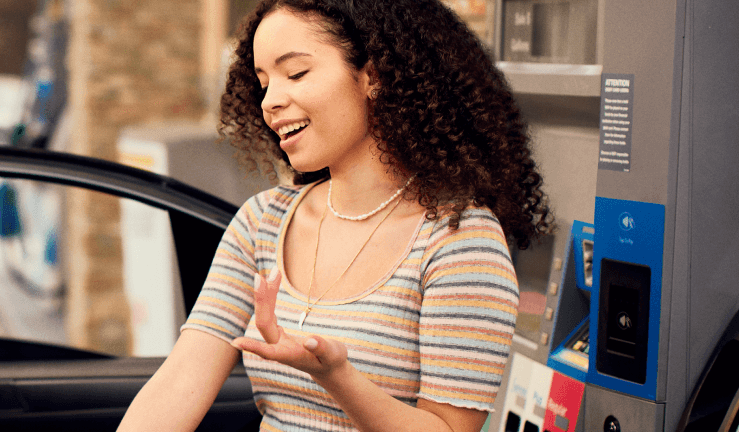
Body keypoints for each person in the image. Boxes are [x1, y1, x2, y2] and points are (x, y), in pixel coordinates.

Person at [119, 0, 551, 431]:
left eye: (296, 73)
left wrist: (336, 376)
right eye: (263, 82)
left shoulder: (458, 238)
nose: (270, 102)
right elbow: (178, 384)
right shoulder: (263, 222)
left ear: (373, 75)